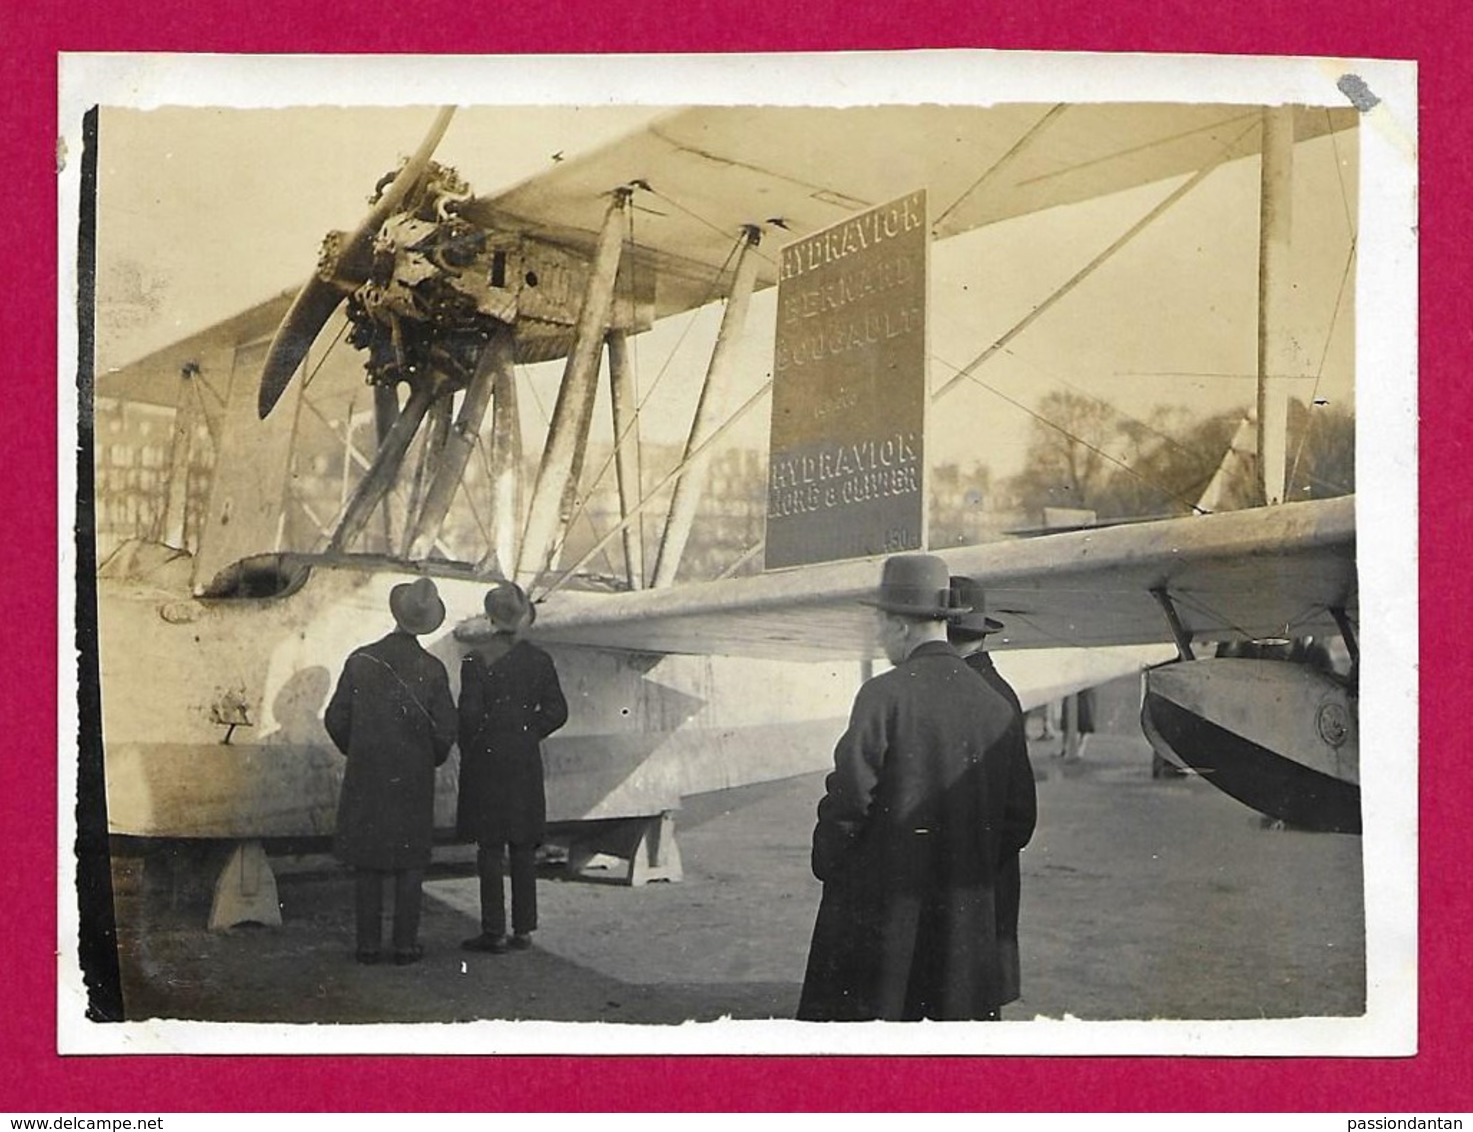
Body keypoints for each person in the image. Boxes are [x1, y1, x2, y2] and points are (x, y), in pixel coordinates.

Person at [797, 554, 1035, 1021]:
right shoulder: (995, 705)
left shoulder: (883, 696)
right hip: (963, 931)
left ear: (901, 625)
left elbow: (847, 804)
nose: (880, 638)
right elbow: (1019, 820)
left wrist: (834, 868)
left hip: (881, 921)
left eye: (881, 626)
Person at [324, 576, 457, 966]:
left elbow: (336, 718)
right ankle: (404, 945)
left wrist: (360, 751)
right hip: (413, 780)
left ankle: (367, 945)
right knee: (410, 862)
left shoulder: (360, 660)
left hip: (367, 775)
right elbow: (446, 729)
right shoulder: (432, 669)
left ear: (395, 613)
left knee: (368, 861)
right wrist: (424, 758)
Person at [456, 582, 568, 955]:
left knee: (490, 848)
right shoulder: (540, 660)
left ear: (490, 617)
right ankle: (524, 930)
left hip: (486, 763)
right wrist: (527, 732)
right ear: (522, 617)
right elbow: (557, 712)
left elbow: (468, 716)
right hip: (523, 762)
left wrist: (474, 747)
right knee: (522, 846)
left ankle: (493, 932)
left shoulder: (474, 659)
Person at [948, 574, 1038, 1014]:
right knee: (982, 1002)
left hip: (965, 878)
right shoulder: (1003, 694)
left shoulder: (956, 695)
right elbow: (1022, 814)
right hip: (994, 872)